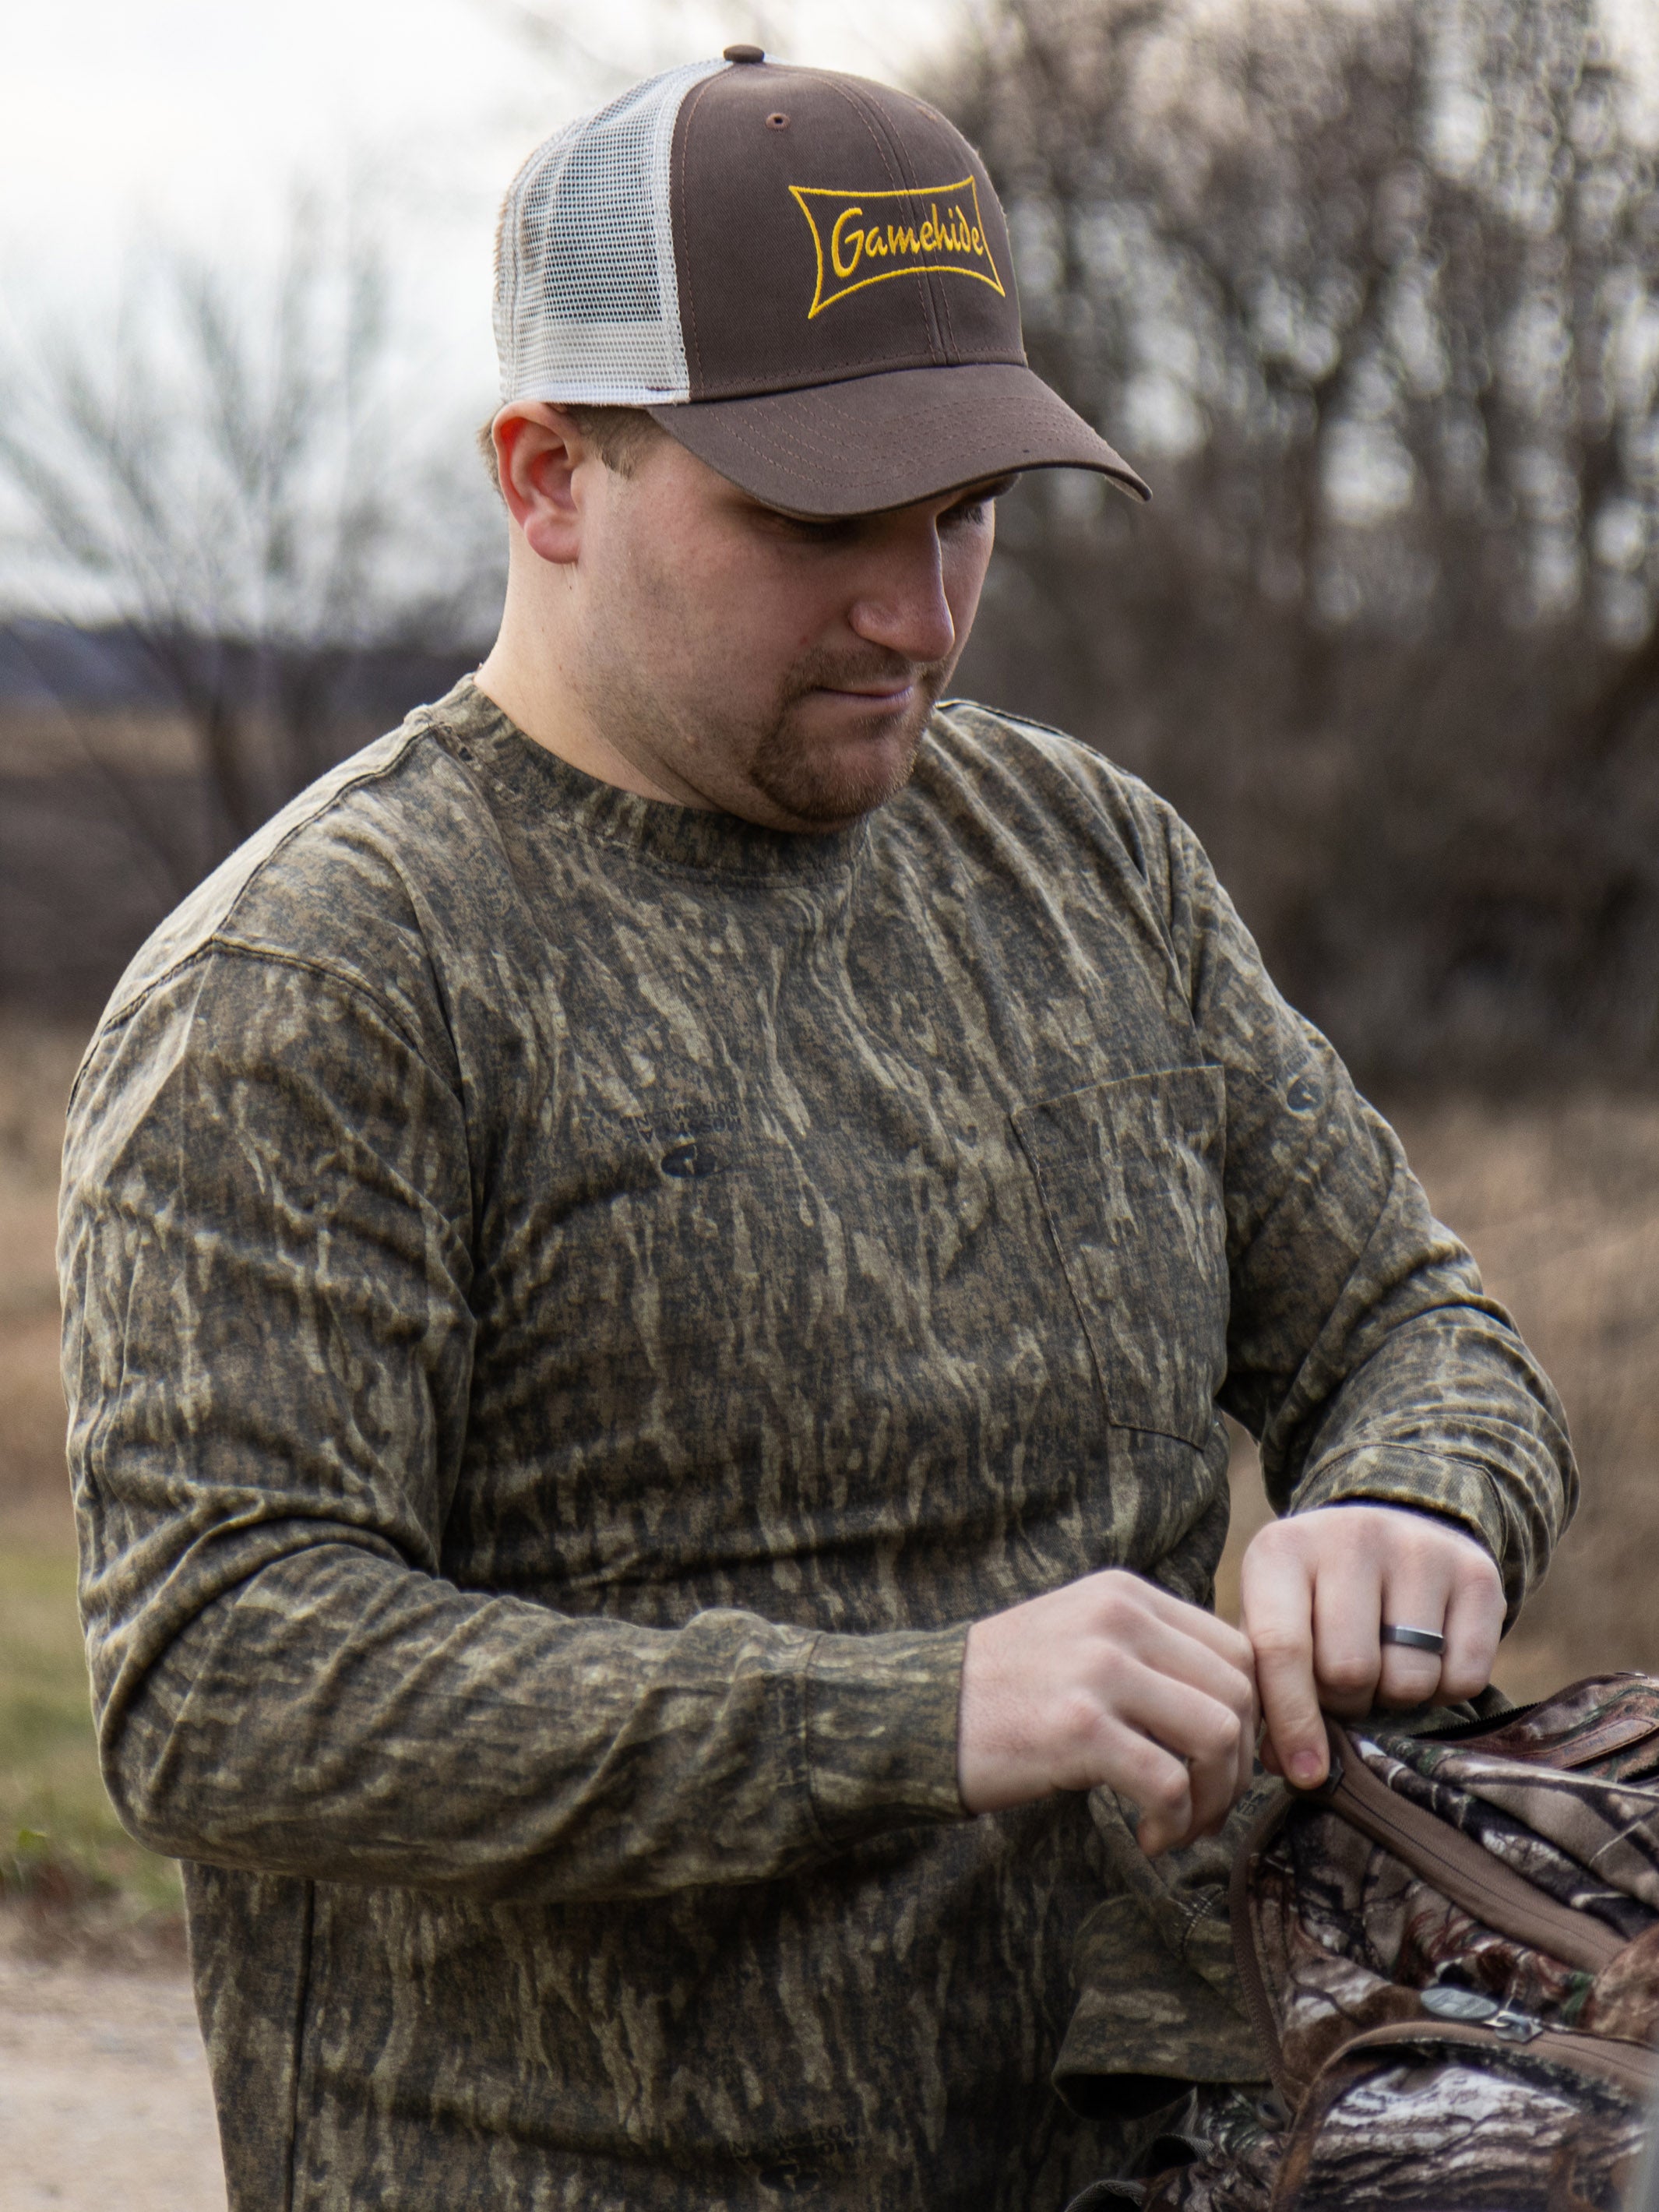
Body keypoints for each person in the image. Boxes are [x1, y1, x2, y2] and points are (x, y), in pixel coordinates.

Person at [59, 48, 1572, 2212]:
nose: (916, 612)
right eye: (815, 524)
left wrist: (1415, 1507)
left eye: (965, 515)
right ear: (548, 474)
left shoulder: (1090, 861)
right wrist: (916, 1712)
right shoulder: (325, 981)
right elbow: (224, 1677)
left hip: (1150, 2153)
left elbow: (1412, 1326)